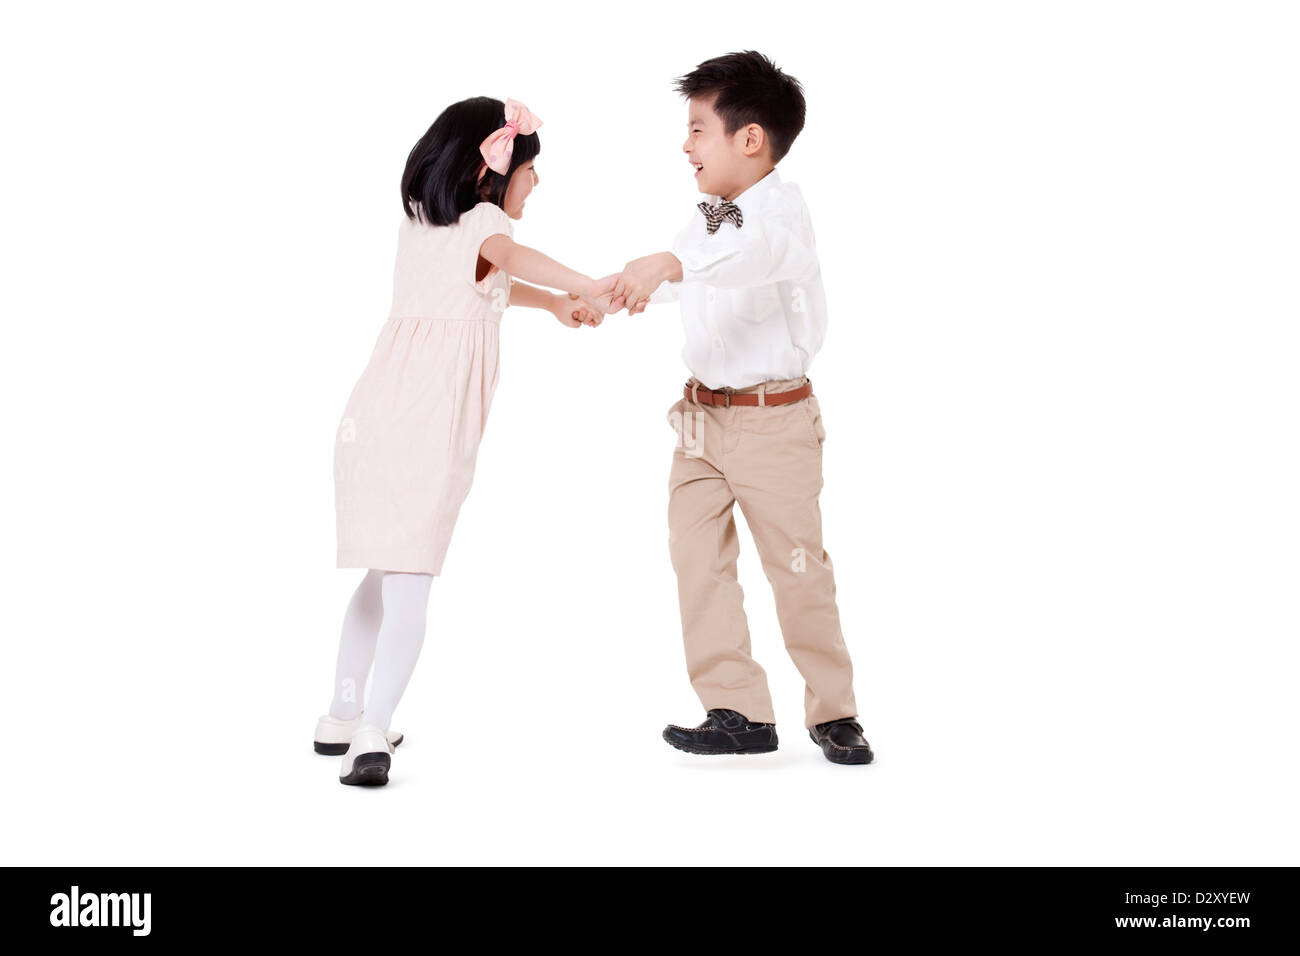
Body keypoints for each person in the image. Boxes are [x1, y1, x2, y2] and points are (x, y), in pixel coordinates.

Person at [318, 96, 618, 786]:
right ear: (496, 170)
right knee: (412, 584)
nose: (536, 183)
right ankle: (372, 732)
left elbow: (488, 285)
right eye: (532, 170)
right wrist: (586, 283)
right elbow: (512, 258)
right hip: (429, 427)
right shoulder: (489, 222)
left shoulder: (421, 225)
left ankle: (339, 713)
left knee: (383, 570)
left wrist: (556, 308)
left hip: (374, 418)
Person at [608, 51, 873, 765]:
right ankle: (737, 709)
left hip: (772, 422)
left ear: (749, 139)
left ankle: (834, 710)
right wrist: (614, 289)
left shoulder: (781, 215)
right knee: (697, 562)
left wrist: (672, 264)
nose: (685, 145)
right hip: (698, 422)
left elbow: (753, 258)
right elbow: (683, 275)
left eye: (698, 128)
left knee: (797, 567)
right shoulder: (709, 217)